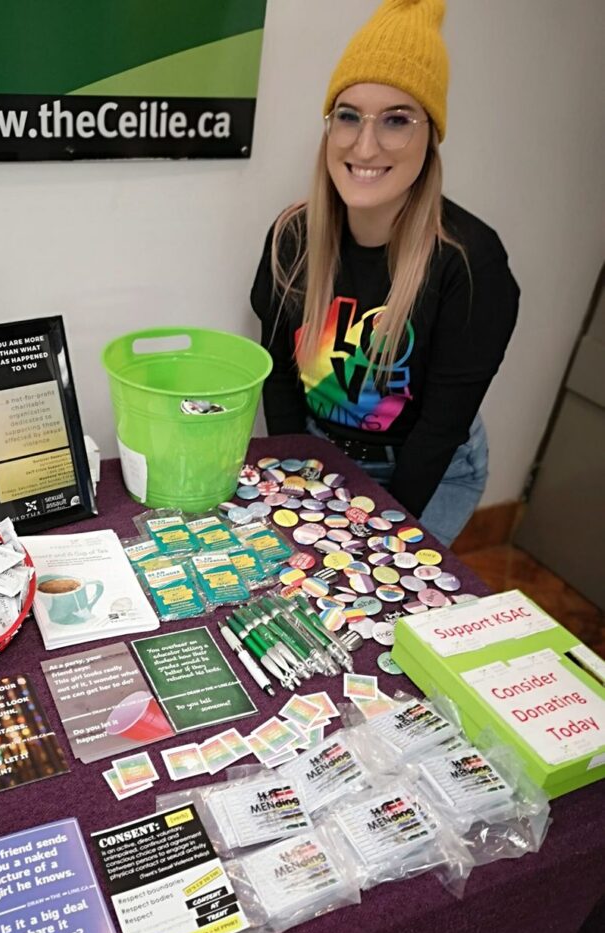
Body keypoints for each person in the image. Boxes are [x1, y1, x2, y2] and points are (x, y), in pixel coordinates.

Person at [251, 0, 520, 547]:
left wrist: (378, 535)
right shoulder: (292, 238)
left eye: (397, 120)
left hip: (428, 468)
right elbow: (279, 374)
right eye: (348, 116)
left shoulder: (471, 263)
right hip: (317, 448)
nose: (365, 145)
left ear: (431, 135)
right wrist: (297, 481)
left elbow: (439, 430)